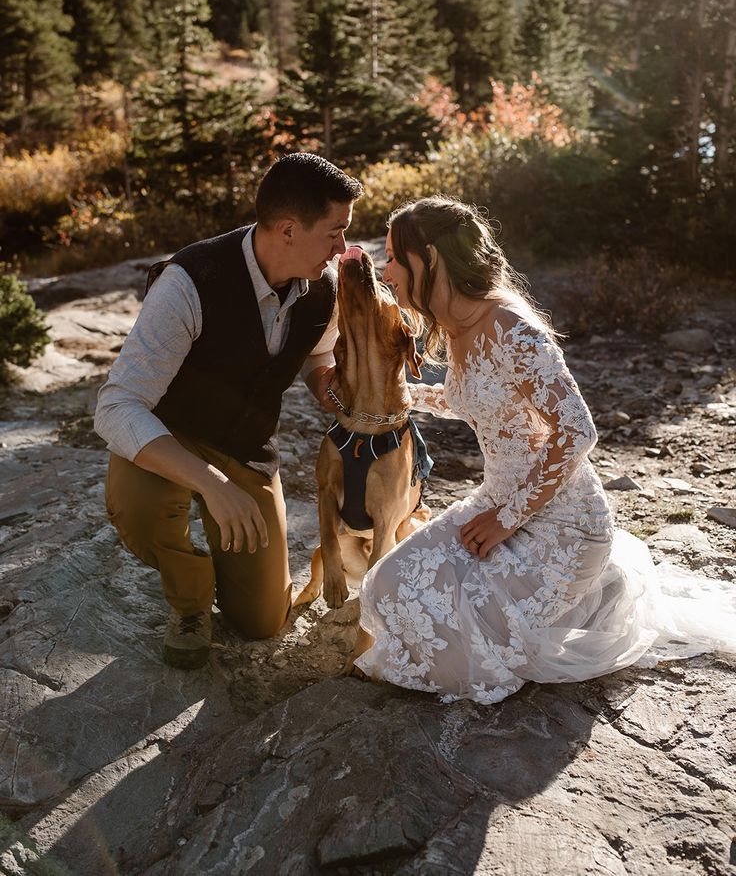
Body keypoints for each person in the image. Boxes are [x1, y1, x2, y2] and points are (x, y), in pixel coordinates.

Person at [355, 196, 736, 703]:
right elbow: (477, 398)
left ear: (430, 257)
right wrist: (399, 399)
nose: (387, 270)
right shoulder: (457, 326)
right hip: (496, 502)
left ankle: (587, 597)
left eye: (395, 258)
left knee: (448, 632)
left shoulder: (514, 328)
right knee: (387, 585)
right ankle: (580, 603)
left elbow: (577, 431)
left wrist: (506, 519)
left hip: (563, 527)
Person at [95, 153, 363, 669]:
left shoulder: (325, 286)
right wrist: (213, 485)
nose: (343, 248)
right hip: (169, 436)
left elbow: (316, 353)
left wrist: (332, 392)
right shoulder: (189, 281)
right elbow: (117, 405)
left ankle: (232, 573)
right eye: (335, 232)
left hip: (247, 446)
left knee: (263, 622)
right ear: (288, 229)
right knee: (141, 512)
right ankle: (190, 601)